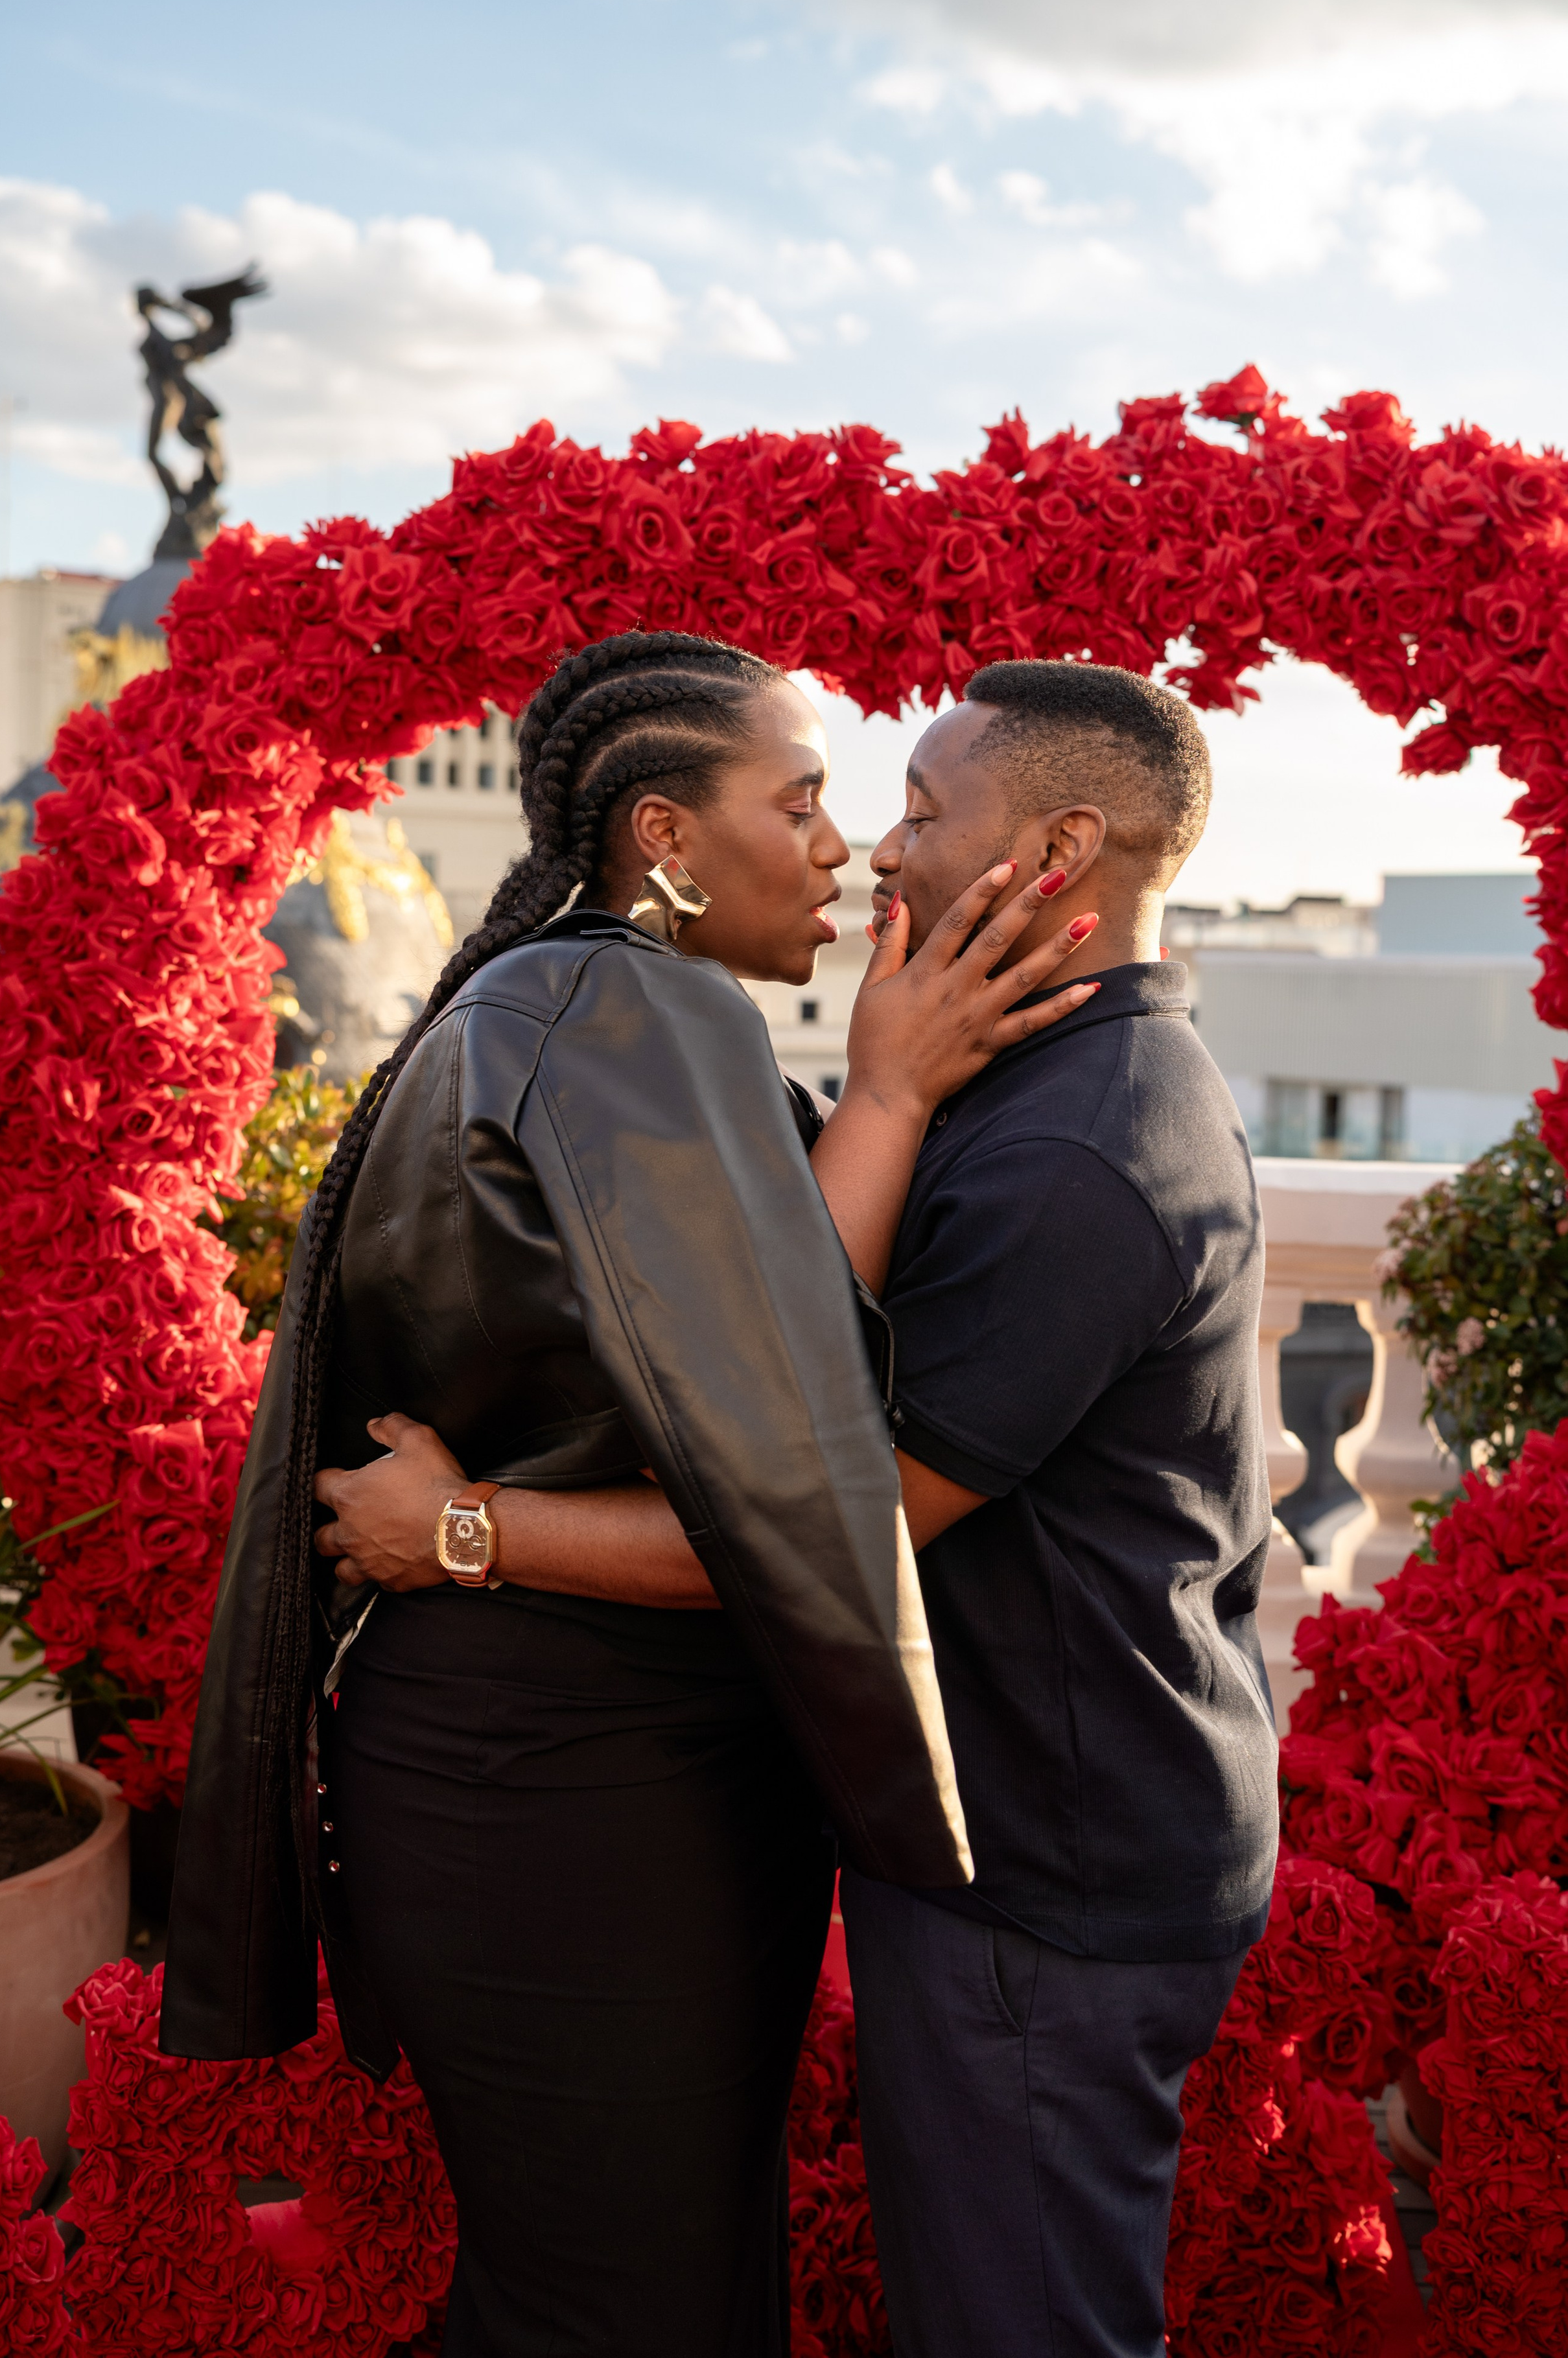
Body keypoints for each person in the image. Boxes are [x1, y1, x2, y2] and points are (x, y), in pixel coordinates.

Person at [160, 629, 1099, 2358]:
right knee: (623, 2314)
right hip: (564, 1789)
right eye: (802, 803)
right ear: (664, 836)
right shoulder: (621, 1005)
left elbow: (708, 1348)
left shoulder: (564, 999)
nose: (844, 850)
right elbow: (769, 1447)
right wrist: (887, 1091)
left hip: (558, 1771)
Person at [839, 659, 1281, 2358]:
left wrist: (470, 1530)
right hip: (1074, 1834)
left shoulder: (1075, 1150)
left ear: (1060, 849)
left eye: (927, 812)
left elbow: (836, 1525)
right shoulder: (1050, 1072)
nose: (885, 850)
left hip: (1049, 1882)